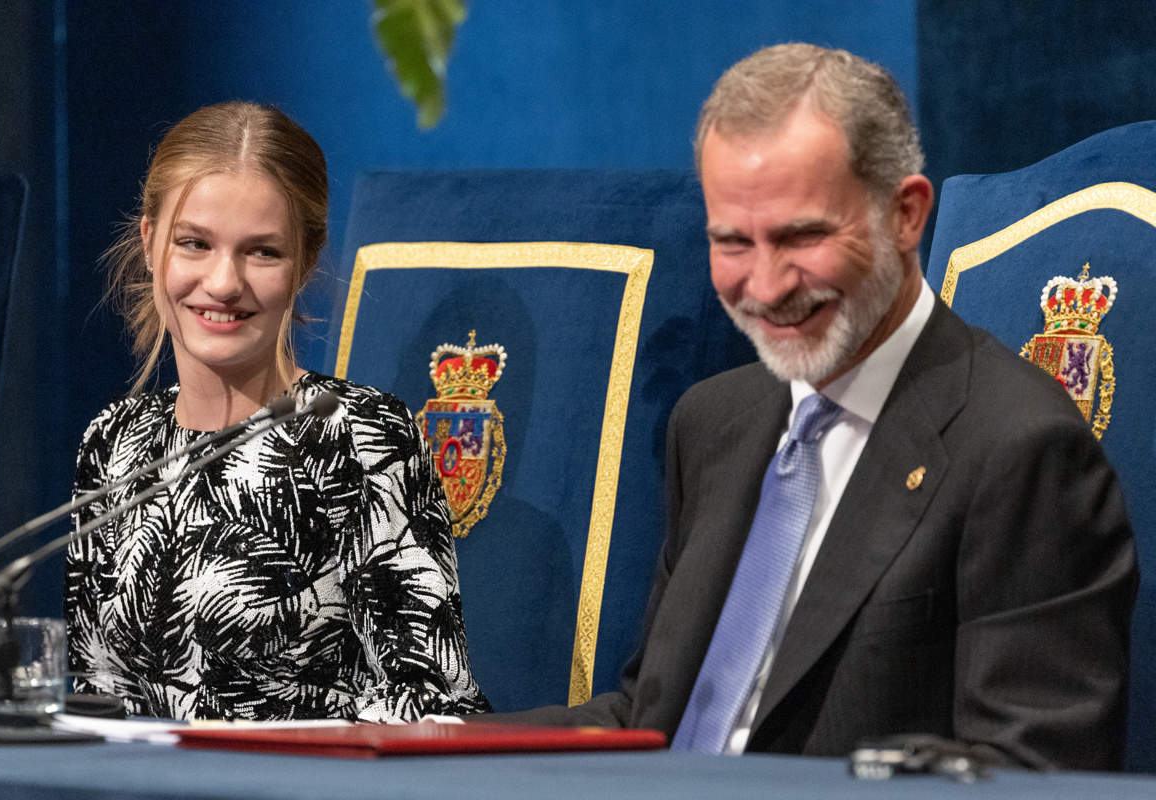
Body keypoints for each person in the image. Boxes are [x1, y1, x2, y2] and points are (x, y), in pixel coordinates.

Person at [490, 44, 1137, 770]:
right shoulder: (712, 421)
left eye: (803, 236)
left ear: (906, 213)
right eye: (733, 242)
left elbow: (1028, 777)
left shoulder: (1020, 446)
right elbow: (655, 719)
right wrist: (423, 746)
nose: (765, 287)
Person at [65, 101, 490, 722]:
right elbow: (92, 697)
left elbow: (434, 707)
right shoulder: (112, 444)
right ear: (150, 241)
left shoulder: (361, 438)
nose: (223, 282)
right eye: (194, 244)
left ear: (305, 263)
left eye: (262, 252)